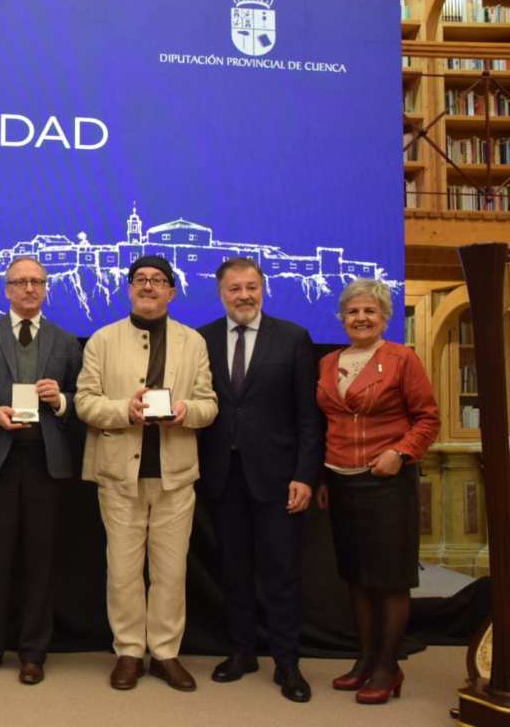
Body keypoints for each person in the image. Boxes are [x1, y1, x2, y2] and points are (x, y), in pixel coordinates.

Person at [75, 255, 217, 693]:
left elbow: (209, 404)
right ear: (129, 289)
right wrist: (125, 409)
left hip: (175, 475)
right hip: (119, 475)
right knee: (122, 571)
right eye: (141, 280)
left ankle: (166, 653)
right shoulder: (102, 339)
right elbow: (84, 402)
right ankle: (130, 652)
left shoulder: (193, 342)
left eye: (158, 281)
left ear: (172, 292)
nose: (149, 286)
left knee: (171, 571)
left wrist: (185, 411)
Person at [0, 256, 82, 686]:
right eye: (20, 282)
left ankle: (33, 652)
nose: (29, 288)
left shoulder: (65, 340)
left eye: (36, 282)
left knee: (40, 561)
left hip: (46, 463)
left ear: (46, 289)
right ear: (6, 289)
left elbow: (84, 400)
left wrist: (60, 399)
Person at [196, 257, 321, 703]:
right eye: (234, 289)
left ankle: (287, 664)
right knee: (234, 572)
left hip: (278, 477)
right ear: (221, 293)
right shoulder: (202, 339)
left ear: (263, 289)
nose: (244, 295)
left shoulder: (293, 338)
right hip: (221, 477)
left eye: (251, 287)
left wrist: (306, 475)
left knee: (282, 573)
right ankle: (241, 652)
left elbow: (309, 416)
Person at [316, 278, 439, 705]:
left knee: (389, 580)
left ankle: (389, 665)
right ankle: (366, 661)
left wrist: (401, 453)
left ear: (385, 318)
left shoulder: (403, 359)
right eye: (353, 312)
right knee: (357, 578)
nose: (361, 318)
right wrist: (322, 478)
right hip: (341, 480)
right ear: (342, 319)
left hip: (387, 482)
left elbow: (428, 419)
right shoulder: (329, 362)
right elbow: (325, 424)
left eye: (369, 311)